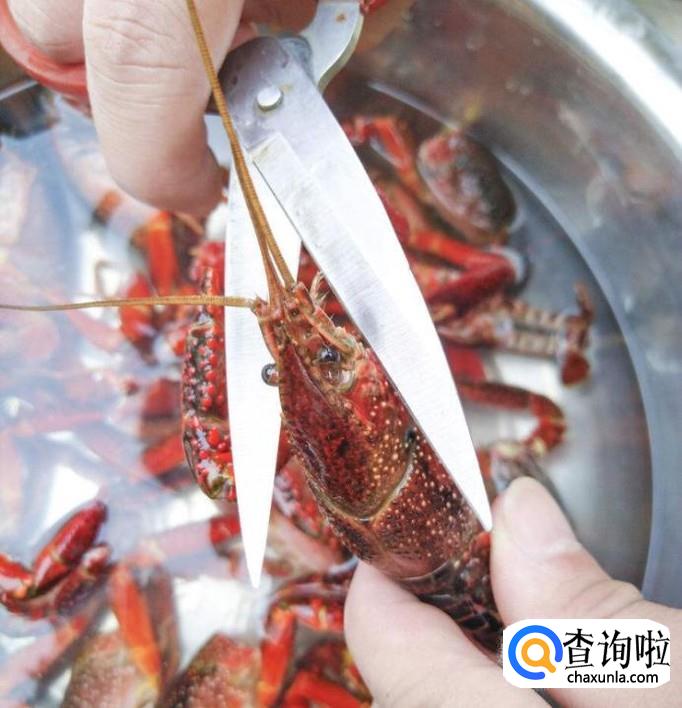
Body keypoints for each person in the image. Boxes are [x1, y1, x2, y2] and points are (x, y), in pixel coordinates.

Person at [6, 3, 680, 705]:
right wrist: (634, 652)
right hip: (542, 634)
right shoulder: (602, 640)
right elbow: (638, 666)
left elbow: (219, 465)